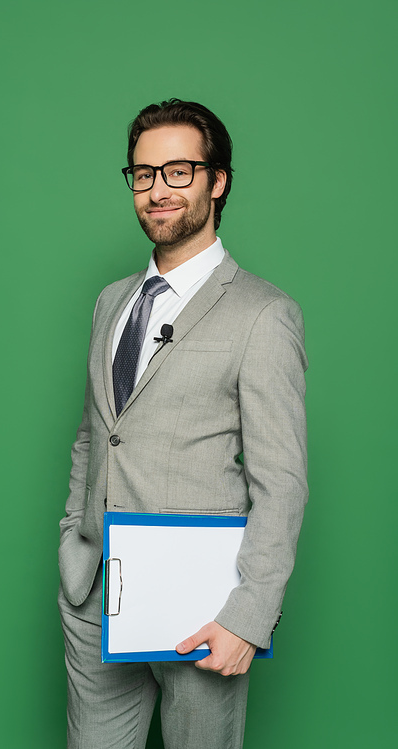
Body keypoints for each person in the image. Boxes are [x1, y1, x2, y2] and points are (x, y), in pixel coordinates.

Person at [58, 98, 308, 749]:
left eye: (178, 171)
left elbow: (282, 479)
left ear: (217, 180)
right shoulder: (111, 300)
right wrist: (72, 538)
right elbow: (95, 433)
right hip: (95, 593)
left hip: (201, 606)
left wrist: (249, 616)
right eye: (143, 174)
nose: (157, 190)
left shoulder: (263, 314)